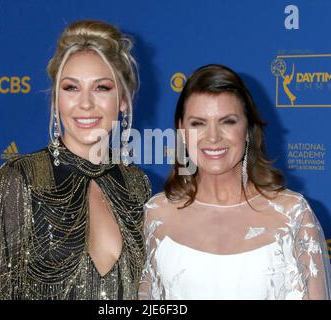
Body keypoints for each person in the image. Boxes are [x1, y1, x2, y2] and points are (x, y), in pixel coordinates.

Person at [0, 20, 151, 300]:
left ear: (124, 100)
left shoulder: (136, 184)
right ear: (56, 99)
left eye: (102, 87)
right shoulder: (21, 178)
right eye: (71, 88)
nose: (86, 104)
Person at [139, 64, 331, 300]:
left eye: (227, 121)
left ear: (248, 129)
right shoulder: (156, 214)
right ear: (181, 130)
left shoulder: (293, 215)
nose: (213, 137)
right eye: (198, 123)